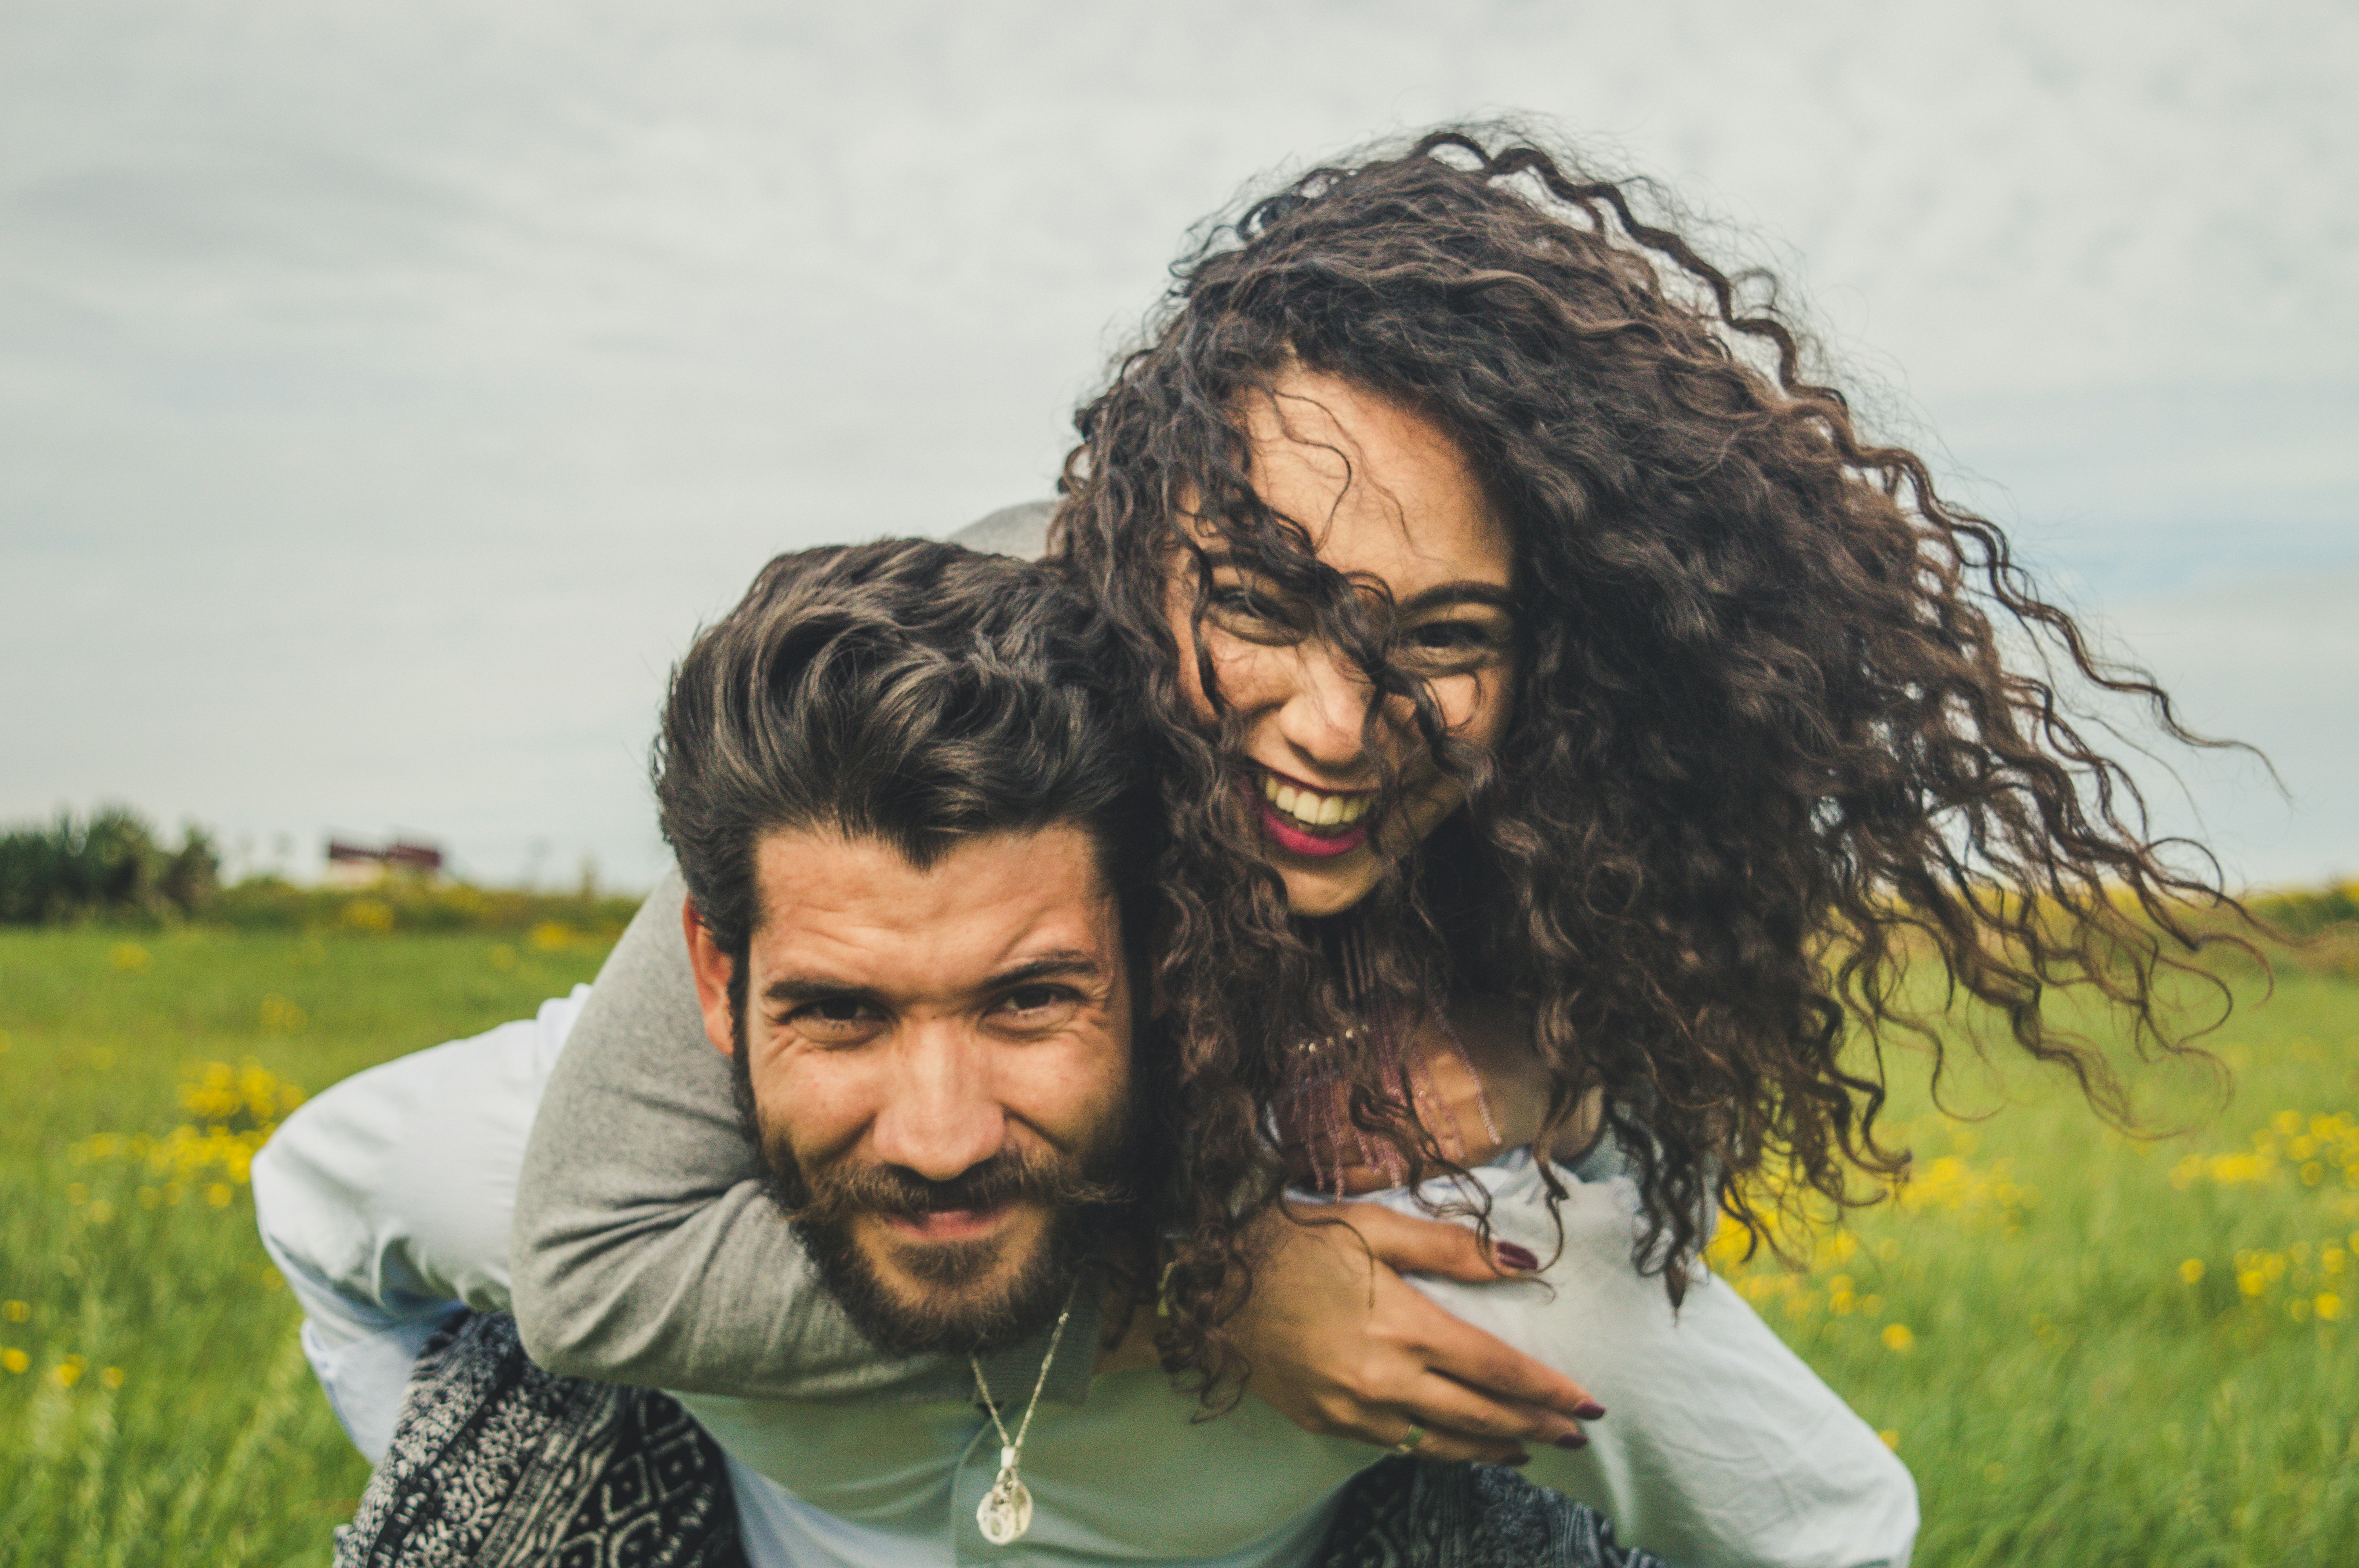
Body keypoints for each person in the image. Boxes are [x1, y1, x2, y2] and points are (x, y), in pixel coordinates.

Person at [506, 125, 2251, 1560]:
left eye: (1442, 637)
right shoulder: (972, 708)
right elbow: (589, 1257)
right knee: (404, 1182)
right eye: (1266, 600)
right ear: (1136, 544)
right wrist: (1206, 1286)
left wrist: (1525, 1089)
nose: (1336, 727)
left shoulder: (1563, 838)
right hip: (862, 1385)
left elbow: (1617, 1261)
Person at [259, 538, 1667, 1568]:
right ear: (716, 979)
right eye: (842, 1012)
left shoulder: (1449, 1251)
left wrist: (1573, 1080)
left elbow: (1815, 1512)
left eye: (1028, 1000)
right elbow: (333, 1217)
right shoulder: (524, 1153)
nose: (939, 1133)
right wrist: (1205, 1299)